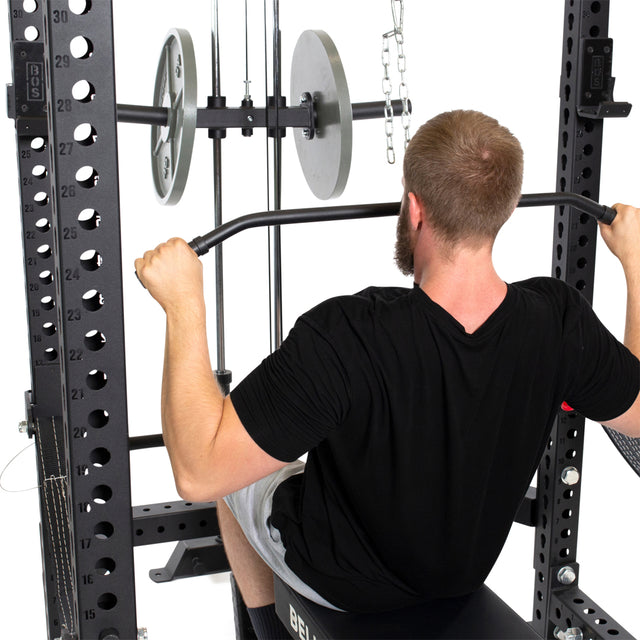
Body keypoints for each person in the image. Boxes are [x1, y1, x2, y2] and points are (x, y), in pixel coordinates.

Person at [135, 109, 640, 639]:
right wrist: (635, 266)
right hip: (460, 576)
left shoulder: (350, 333)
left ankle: (266, 628)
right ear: (505, 208)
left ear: (415, 208)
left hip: (339, 581)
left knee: (231, 464)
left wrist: (183, 306)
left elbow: (197, 472)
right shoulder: (557, 320)